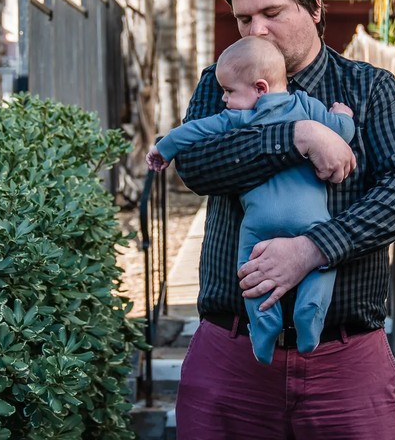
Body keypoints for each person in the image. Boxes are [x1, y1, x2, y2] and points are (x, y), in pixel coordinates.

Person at [173, 0, 395, 440]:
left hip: (346, 359)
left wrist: (312, 249)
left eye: (271, 12)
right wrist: (295, 137)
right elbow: (197, 166)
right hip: (233, 354)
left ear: (314, 6)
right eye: (244, 19)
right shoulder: (220, 82)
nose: (257, 30)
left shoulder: (369, 89)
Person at [146, 36, 355, 364]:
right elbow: (341, 133)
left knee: (249, 270)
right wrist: (343, 116)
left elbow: (195, 131)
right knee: (323, 265)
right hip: (311, 219)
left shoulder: (240, 118)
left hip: (259, 222)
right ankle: (310, 314)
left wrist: (163, 149)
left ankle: (263, 325)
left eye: (229, 91)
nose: (224, 99)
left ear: (260, 89)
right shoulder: (309, 107)